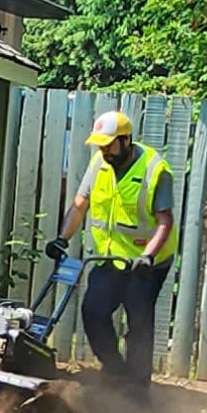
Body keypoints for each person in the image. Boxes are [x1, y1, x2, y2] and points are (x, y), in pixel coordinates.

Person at [49, 109, 178, 389]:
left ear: (126, 140)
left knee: (138, 320)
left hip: (147, 263)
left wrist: (147, 257)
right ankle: (115, 370)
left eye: (108, 144)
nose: (104, 150)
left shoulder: (156, 171)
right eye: (100, 144)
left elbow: (165, 221)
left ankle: (138, 388)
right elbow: (79, 205)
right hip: (109, 256)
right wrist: (62, 238)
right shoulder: (99, 163)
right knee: (93, 311)